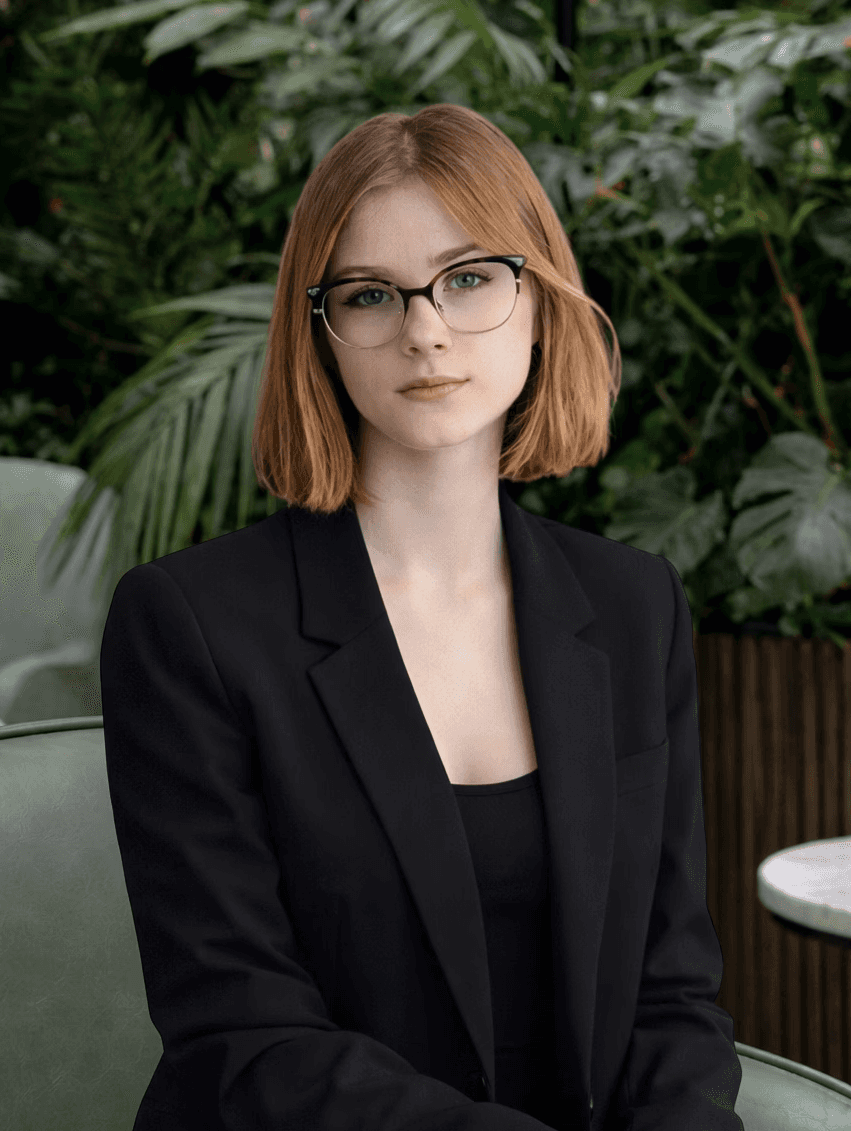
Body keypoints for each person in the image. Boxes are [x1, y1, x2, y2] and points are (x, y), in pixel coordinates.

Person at [100, 102, 744, 1131]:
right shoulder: (190, 626)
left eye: (469, 277)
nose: (425, 330)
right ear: (320, 332)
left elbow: (668, 993)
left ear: (539, 298)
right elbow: (243, 1033)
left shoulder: (633, 605)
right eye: (369, 294)